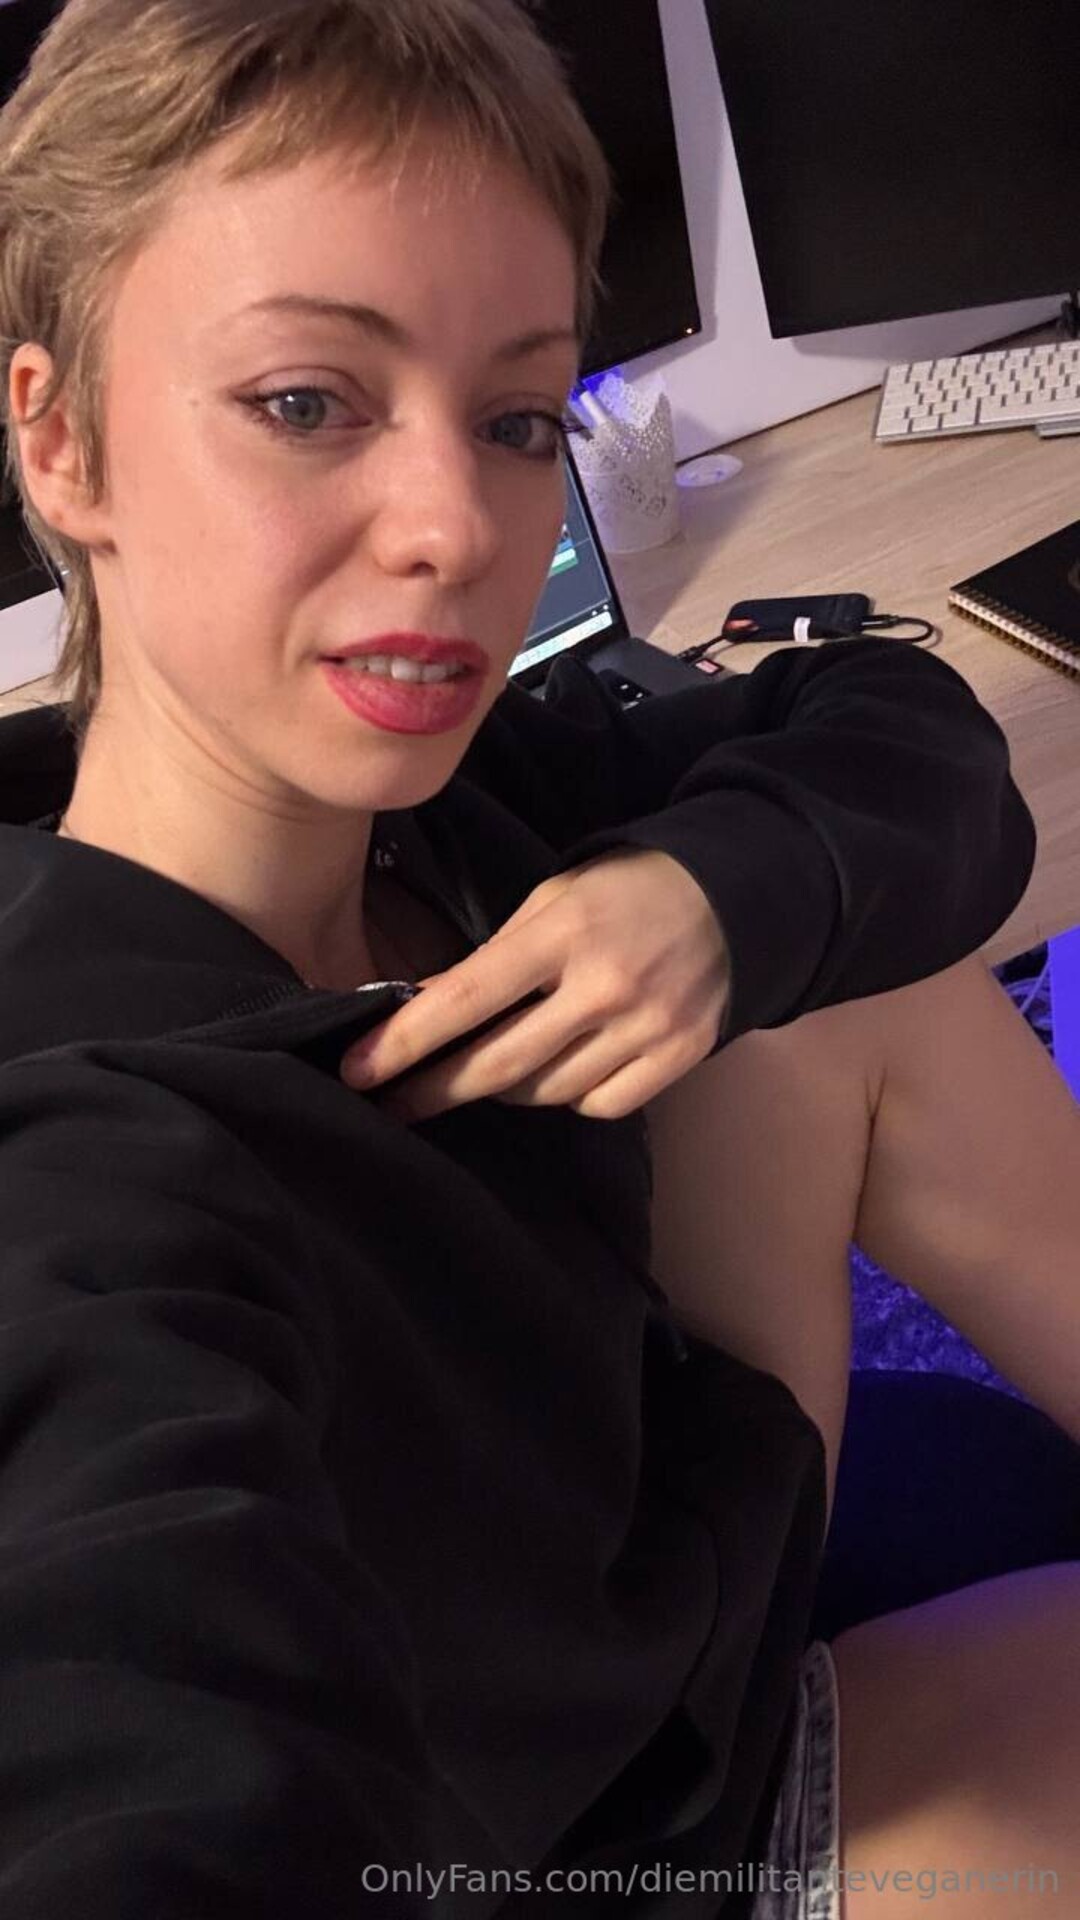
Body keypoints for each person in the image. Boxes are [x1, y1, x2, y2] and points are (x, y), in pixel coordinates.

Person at [0, 0, 1073, 1914]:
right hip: (619, 1846)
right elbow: (133, 1714)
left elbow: (897, 734)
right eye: (307, 401)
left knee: (823, 944)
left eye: (513, 421)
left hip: (651, 1566)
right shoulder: (92, 1184)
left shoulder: (452, 795)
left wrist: (716, 900)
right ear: (62, 440)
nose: (455, 530)